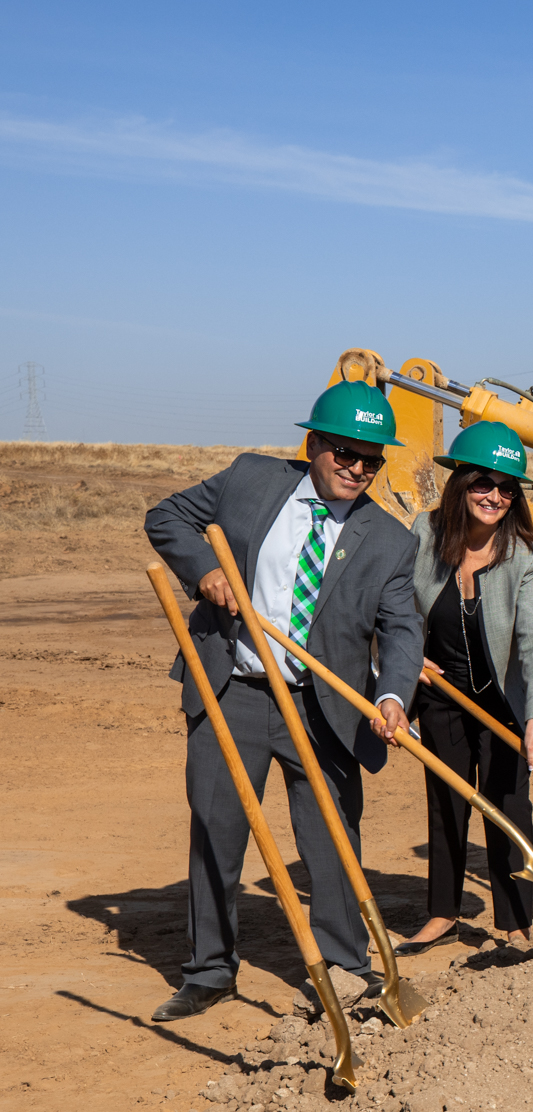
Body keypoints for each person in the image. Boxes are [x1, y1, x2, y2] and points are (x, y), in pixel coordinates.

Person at [144, 380, 422, 1021]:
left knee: (331, 840)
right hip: (230, 693)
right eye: (345, 454)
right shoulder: (251, 480)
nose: (358, 470)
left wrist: (392, 695)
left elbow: (402, 630)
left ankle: (346, 969)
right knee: (217, 830)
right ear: (314, 443)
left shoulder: (389, 540)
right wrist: (204, 571)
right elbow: (168, 517)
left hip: (321, 707)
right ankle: (209, 971)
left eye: (372, 460)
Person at [401, 422, 533, 953]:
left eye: (506, 488)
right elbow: (393, 607)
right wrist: (408, 658)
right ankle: (443, 913)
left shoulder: (525, 554)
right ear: (461, 484)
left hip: (505, 700)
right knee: (446, 801)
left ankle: (514, 921)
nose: (494, 497)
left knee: (507, 805)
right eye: (483, 484)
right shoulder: (424, 534)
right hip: (440, 692)